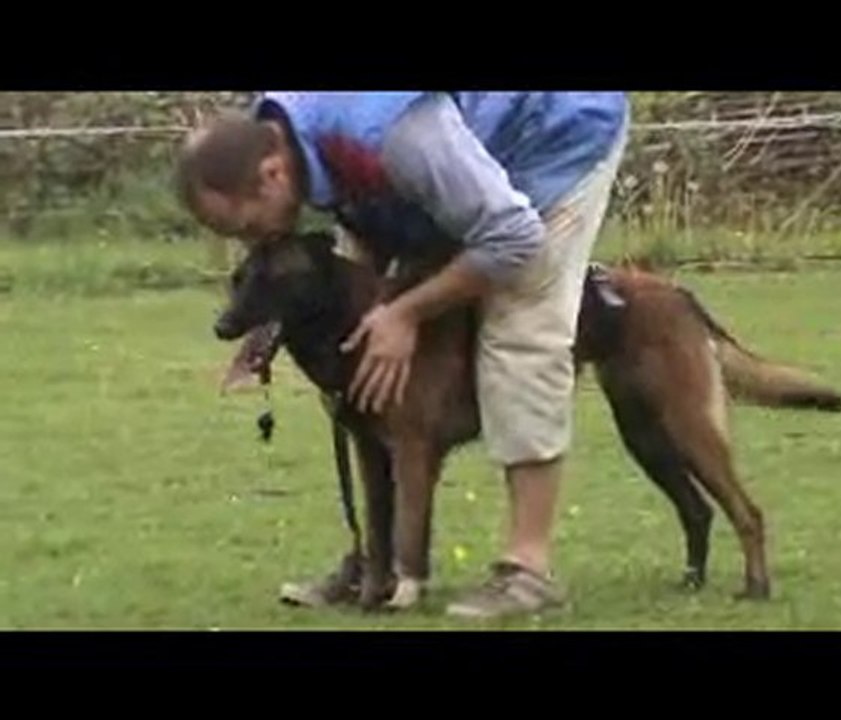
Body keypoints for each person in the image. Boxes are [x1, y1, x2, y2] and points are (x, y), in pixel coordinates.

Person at [177, 91, 629, 619]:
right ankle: (380, 564)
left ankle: (527, 569)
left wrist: (405, 312)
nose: (258, 240)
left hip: (554, 133)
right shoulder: (282, 131)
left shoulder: (398, 135)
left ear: (273, 173)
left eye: (249, 227)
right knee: (357, 322)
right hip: (445, 161)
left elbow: (512, 235)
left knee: (519, 322)